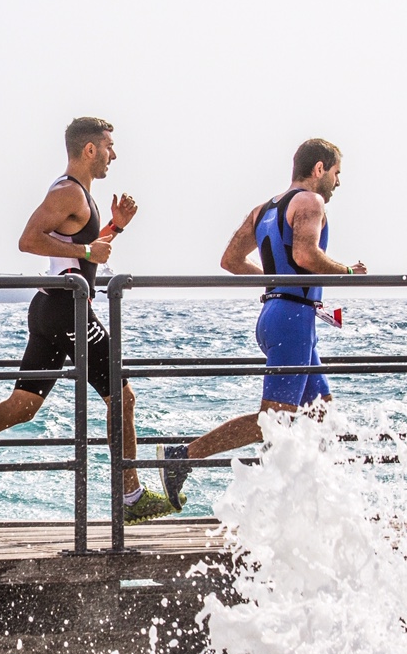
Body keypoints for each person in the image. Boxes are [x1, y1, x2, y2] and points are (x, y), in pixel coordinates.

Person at [0, 117, 180, 522]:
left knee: (23, 406)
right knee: (122, 398)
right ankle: (132, 498)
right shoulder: (67, 192)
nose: (113, 155)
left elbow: (81, 250)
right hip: (66, 308)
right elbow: (29, 240)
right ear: (89, 149)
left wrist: (115, 228)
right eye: (108, 146)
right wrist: (88, 252)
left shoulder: (80, 196)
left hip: (52, 308)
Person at [156, 138, 367, 507]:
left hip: (281, 315)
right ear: (319, 168)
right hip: (293, 320)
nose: (338, 182)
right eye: (336, 173)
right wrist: (348, 271)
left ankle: (308, 500)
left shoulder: (263, 210)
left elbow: (231, 260)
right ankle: (183, 457)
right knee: (272, 419)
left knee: (321, 413)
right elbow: (305, 254)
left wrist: (275, 287)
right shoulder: (310, 202)